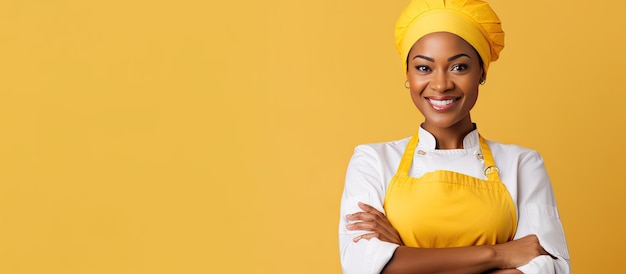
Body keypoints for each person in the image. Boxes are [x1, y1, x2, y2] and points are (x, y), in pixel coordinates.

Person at [337, 0, 570, 273]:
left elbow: (550, 268)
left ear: (481, 72)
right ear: (408, 74)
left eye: (459, 67)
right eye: (424, 68)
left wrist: (403, 257)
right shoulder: (372, 161)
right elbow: (360, 266)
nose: (441, 84)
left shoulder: (523, 164)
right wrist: (497, 254)